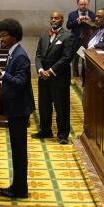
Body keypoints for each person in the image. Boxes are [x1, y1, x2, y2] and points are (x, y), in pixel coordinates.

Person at [0, 19, 34, 199]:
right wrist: (0, 80)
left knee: (19, 151)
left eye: (4, 35)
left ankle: (20, 190)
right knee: (17, 150)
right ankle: (18, 186)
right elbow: (13, 80)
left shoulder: (20, 55)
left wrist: (1, 73)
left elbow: (20, 83)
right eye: (1, 35)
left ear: (13, 36)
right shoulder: (13, 53)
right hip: (16, 109)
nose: (1, 39)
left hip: (19, 110)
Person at [33, 11, 74, 143]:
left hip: (59, 77)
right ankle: (45, 130)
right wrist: (40, 70)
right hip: (43, 77)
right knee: (44, 105)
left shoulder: (68, 36)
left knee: (61, 106)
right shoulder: (44, 35)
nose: (53, 20)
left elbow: (66, 58)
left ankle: (62, 135)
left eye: (56, 18)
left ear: (62, 20)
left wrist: (50, 71)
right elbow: (38, 55)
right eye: (52, 18)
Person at [67, 0, 95, 76]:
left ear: (88, 5)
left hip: (87, 41)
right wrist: (77, 21)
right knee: (75, 59)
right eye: (81, 4)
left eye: (85, 4)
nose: (83, 6)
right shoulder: (72, 14)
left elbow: (96, 27)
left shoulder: (92, 14)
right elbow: (68, 26)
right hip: (76, 40)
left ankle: (84, 78)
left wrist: (90, 21)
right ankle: (75, 77)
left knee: (85, 60)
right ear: (78, 5)